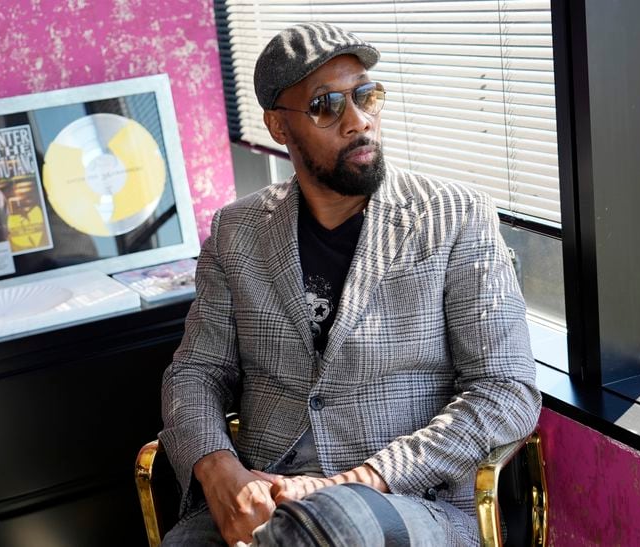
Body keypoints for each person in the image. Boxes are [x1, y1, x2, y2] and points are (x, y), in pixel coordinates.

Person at [160, 22, 541, 546]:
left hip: (403, 499)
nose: (358, 121)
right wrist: (218, 467)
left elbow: (506, 390)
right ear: (277, 126)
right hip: (267, 494)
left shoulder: (454, 217)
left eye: (366, 95)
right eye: (325, 105)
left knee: (334, 527)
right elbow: (195, 372)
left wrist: (359, 480)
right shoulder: (236, 231)